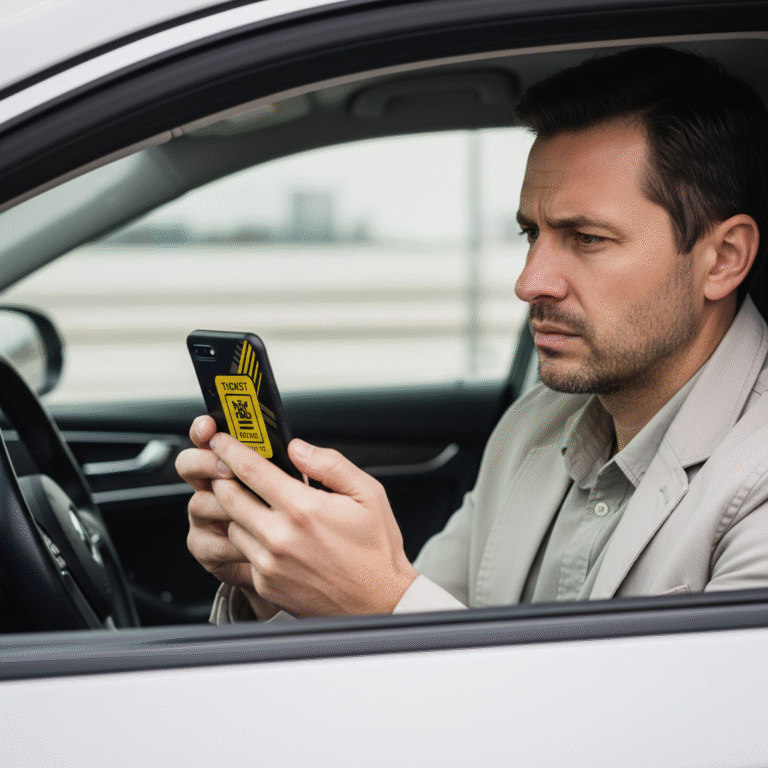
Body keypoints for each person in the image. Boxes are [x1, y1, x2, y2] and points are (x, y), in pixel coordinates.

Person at [176, 46, 768, 622]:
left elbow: (679, 724)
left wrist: (381, 598)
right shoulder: (533, 425)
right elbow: (425, 619)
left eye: (587, 238)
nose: (530, 281)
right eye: (531, 234)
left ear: (723, 259)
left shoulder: (755, 484)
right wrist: (276, 582)